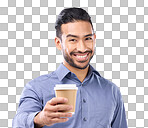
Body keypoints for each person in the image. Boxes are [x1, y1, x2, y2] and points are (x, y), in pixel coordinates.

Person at [12, 7, 128, 128]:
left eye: (87, 38)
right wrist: (39, 119)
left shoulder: (111, 91)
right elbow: (17, 123)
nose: (82, 48)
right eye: (73, 40)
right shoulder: (36, 88)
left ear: (94, 39)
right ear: (58, 43)